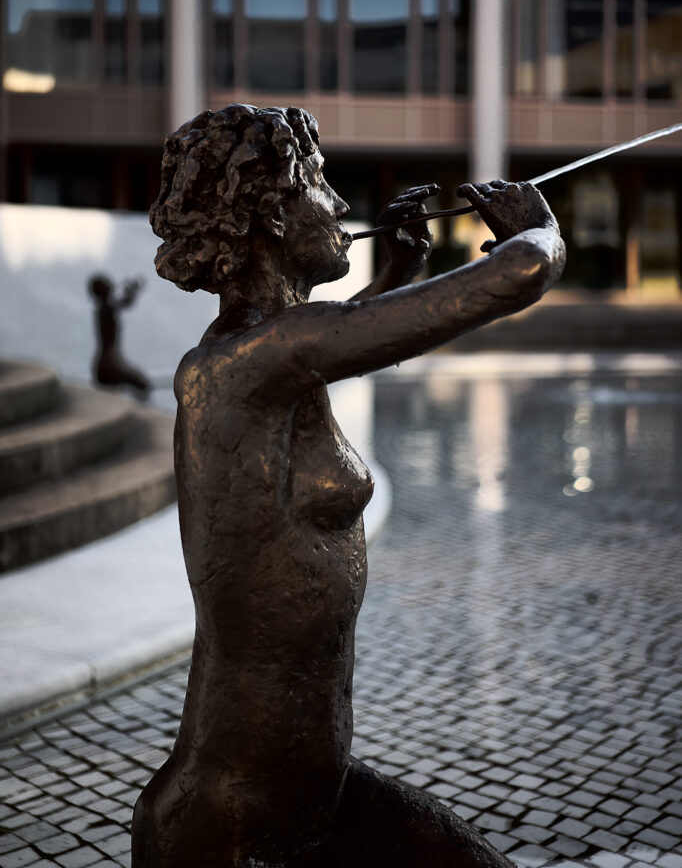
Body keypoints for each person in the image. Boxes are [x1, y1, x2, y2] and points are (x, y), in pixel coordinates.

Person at [131, 104, 565, 868]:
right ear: (268, 216)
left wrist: (397, 275)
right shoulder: (241, 364)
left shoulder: (272, 351)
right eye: (319, 187)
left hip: (314, 787)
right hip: (230, 823)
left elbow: (330, 338)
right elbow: (518, 273)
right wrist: (539, 230)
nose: (337, 206)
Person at [88, 275, 150, 394]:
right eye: (105, 282)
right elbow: (124, 302)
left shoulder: (104, 309)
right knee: (142, 384)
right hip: (111, 362)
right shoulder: (106, 308)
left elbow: (123, 302)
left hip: (107, 361)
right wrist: (132, 290)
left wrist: (131, 291)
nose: (110, 282)